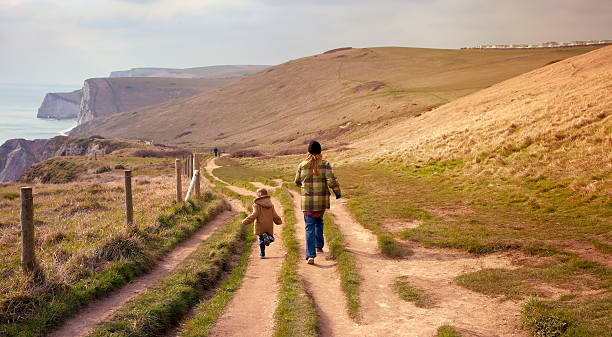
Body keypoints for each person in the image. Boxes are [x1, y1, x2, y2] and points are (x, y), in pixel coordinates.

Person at [294, 140, 341, 264]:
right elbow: (331, 181)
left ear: (308, 151)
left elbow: (297, 182)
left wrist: (305, 186)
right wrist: (337, 192)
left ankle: (310, 255)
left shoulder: (302, 165)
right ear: (320, 152)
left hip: (307, 203)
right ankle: (319, 245)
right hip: (321, 202)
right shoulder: (325, 164)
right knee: (319, 221)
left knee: (309, 227)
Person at [242, 188, 283, 258]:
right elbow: (275, 215)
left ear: (258, 196)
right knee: (270, 237)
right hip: (269, 225)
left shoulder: (256, 205)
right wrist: (279, 221)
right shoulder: (271, 205)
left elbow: (254, 215)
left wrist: (246, 221)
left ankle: (262, 254)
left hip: (260, 225)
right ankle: (269, 238)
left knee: (261, 239)